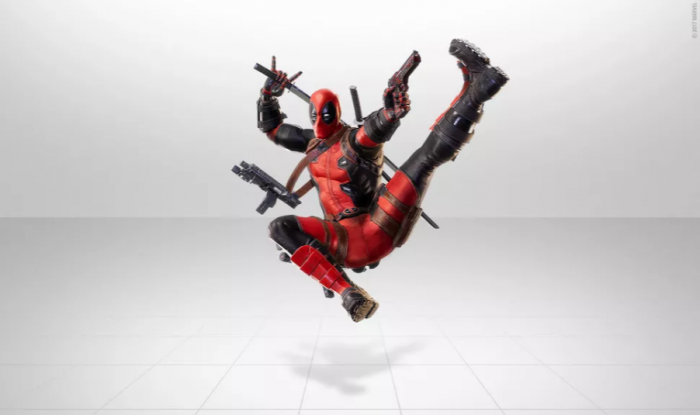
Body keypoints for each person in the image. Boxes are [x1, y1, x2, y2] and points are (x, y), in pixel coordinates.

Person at [256, 39, 508, 322]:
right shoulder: (309, 143)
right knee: (280, 227)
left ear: (336, 112)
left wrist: (391, 113)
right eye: (318, 114)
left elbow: (378, 127)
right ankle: (348, 293)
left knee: (425, 160)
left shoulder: (355, 140)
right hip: (341, 241)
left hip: (377, 224)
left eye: (327, 112)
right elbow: (272, 129)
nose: (322, 118)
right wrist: (268, 96)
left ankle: (480, 89)